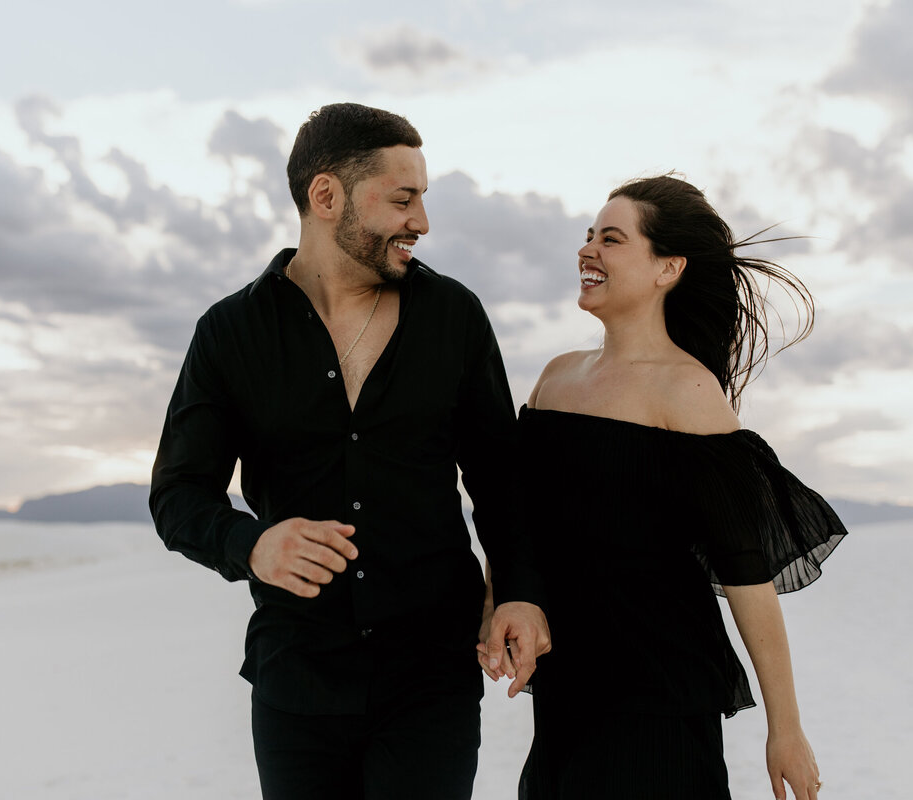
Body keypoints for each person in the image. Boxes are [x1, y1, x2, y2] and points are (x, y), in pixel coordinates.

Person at [149, 102, 550, 800]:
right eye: (403, 199)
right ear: (326, 196)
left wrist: (517, 590)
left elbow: (501, 479)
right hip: (297, 675)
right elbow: (178, 494)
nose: (421, 222)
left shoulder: (454, 317)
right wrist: (251, 545)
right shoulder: (229, 332)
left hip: (431, 677)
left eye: (423, 199)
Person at [487, 174, 847, 800]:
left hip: (659, 706)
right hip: (566, 699)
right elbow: (519, 516)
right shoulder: (556, 378)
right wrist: (499, 602)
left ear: (668, 268)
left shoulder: (689, 392)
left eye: (613, 239)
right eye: (589, 235)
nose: (588, 251)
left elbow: (746, 577)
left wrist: (784, 727)